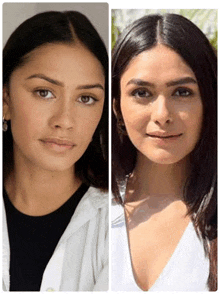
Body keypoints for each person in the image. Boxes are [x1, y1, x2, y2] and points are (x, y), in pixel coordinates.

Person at [3, 10, 108, 291]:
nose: (65, 120)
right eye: (44, 92)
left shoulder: (119, 225)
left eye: (86, 98)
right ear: (5, 100)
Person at [111, 13, 217, 291]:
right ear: (116, 107)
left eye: (182, 92)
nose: (162, 115)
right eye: (142, 93)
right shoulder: (90, 207)